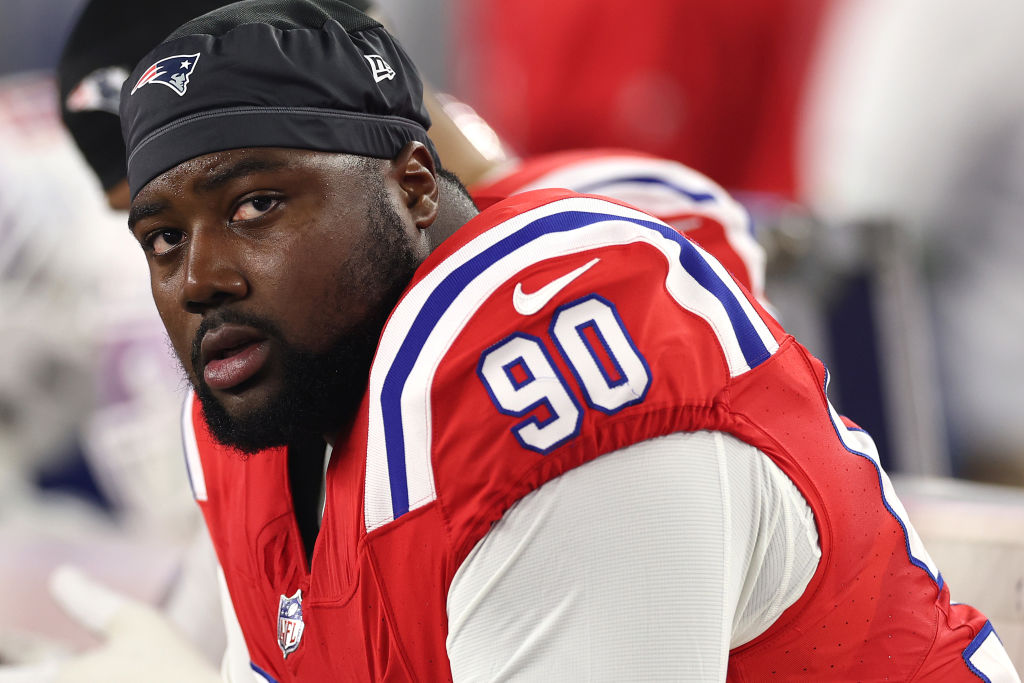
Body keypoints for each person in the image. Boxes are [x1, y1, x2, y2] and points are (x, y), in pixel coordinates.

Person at [119, 1, 1019, 681]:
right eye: (161, 236)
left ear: (415, 183)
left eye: (256, 206)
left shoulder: (541, 353)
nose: (202, 278)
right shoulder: (260, 405)